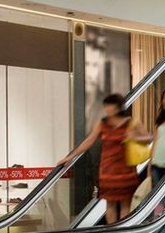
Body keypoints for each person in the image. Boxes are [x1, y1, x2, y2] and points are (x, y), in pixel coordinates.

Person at [60, 94, 141, 224]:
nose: (107, 108)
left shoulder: (130, 122)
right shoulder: (102, 123)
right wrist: (70, 157)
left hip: (125, 168)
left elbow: (148, 138)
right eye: (106, 105)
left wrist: (134, 137)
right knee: (110, 204)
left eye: (110, 105)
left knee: (125, 204)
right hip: (108, 169)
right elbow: (89, 141)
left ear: (118, 107)